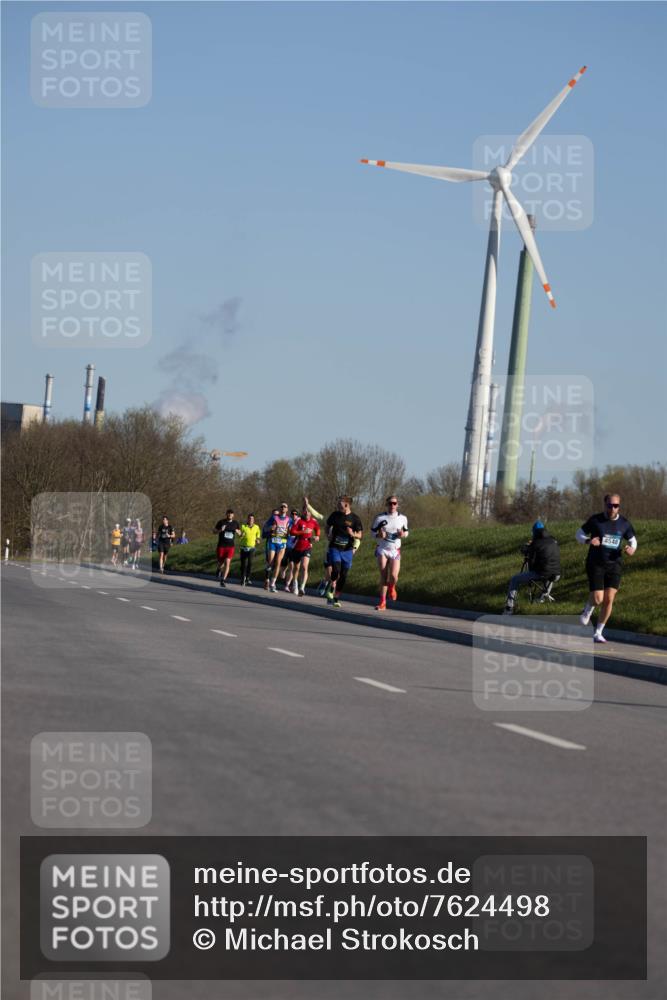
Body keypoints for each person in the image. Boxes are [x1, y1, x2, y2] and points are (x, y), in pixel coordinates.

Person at [576, 493, 637, 643]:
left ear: (619, 507)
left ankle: (598, 632)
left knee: (609, 599)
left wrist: (632, 549)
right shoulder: (596, 520)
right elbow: (579, 534)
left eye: (616, 506)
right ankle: (588, 609)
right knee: (598, 599)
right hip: (596, 563)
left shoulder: (624, 523)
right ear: (605, 505)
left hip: (614, 564)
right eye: (610, 505)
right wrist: (589, 541)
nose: (612, 508)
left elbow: (633, 541)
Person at [503, 521, 561, 615]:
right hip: (557, 574)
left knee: (515, 579)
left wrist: (528, 548)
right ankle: (542, 598)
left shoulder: (536, 543)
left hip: (542, 573)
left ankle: (509, 608)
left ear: (534, 532)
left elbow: (531, 562)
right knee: (549, 573)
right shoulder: (553, 540)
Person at [371, 496, 409, 610]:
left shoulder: (402, 518)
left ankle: (392, 587)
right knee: (383, 575)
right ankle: (382, 603)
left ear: (397, 505)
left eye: (394, 503)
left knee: (393, 576)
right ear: (386, 504)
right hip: (382, 549)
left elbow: (406, 532)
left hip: (395, 550)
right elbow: (372, 533)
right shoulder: (379, 518)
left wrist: (403, 534)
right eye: (390, 503)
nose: (392, 505)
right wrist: (379, 535)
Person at [324, 496, 363, 607]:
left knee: (344, 575)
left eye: (339, 503)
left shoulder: (355, 518)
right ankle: (331, 587)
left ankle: (336, 597)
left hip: (347, 550)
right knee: (336, 569)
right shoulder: (335, 515)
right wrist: (327, 535)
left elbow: (360, 535)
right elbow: (327, 526)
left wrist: (353, 534)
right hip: (335, 548)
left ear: (346, 504)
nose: (337, 505)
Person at [286, 504, 321, 595]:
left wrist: (317, 536)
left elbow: (317, 529)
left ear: (310, 513)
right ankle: (295, 584)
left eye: (308, 511)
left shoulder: (313, 521)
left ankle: (302, 587)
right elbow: (292, 532)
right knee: (296, 568)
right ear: (303, 512)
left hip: (307, 546)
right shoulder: (299, 521)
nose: (307, 513)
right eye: (305, 511)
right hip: (297, 546)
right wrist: (303, 532)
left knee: (305, 567)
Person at [265, 503, 293, 592]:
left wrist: (289, 531)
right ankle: (269, 567)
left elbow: (292, 531)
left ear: (287, 509)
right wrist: (271, 528)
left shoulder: (289, 519)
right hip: (273, 541)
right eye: (281, 506)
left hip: (282, 543)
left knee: (278, 563)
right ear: (280, 508)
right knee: (271, 561)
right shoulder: (274, 517)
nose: (283, 508)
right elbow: (265, 527)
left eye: (285, 507)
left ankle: (272, 584)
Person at [213, 509, 241, 587]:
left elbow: (240, 533)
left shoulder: (235, 523)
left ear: (233, 515)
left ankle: (223, 580)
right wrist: (220, 530)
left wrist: (239, 533)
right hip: (221, 546)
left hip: (230, 546)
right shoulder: (221, 522)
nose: (230, 515)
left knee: (227, 562)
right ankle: (219, 569)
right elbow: (214, 531)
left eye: (231, 514)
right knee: (221, 563)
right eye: (228, 514)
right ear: (226, 514)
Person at [238, 513, 262, 585]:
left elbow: (258, 535)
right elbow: (239, 535)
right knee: (243, 564)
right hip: (243, 547)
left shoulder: (256, 527)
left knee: (250, 563)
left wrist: (258, 540)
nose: (250, 520)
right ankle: (242, 578)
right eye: (249, 518)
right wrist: (241, 535)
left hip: (251, 548)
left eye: (252, 519)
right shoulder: (243, 526)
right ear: (247, 519)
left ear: (254, 520)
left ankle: (248, 578)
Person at [280, 509, 301, 584]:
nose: (294, 515)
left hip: (294, 547)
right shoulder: (288, 522)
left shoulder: (300, 523)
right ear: (291, 515)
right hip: (286, 546)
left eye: (296, 514)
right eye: (293, 514)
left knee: (292, 566)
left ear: (297, 515)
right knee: (283, 567)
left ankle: (287, 584)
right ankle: (283, 571)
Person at [261, 508, 280, 589]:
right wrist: (270, 530)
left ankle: (273, 581)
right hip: (270, 543)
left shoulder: (281, 522)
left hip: (279, 544)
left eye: (277, 515)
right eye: (274, 514)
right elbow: (263, 535)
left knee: (277, 563)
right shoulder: (268, 523)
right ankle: (267, 580)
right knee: (269, 562)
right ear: (272, 515)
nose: (276, 516)